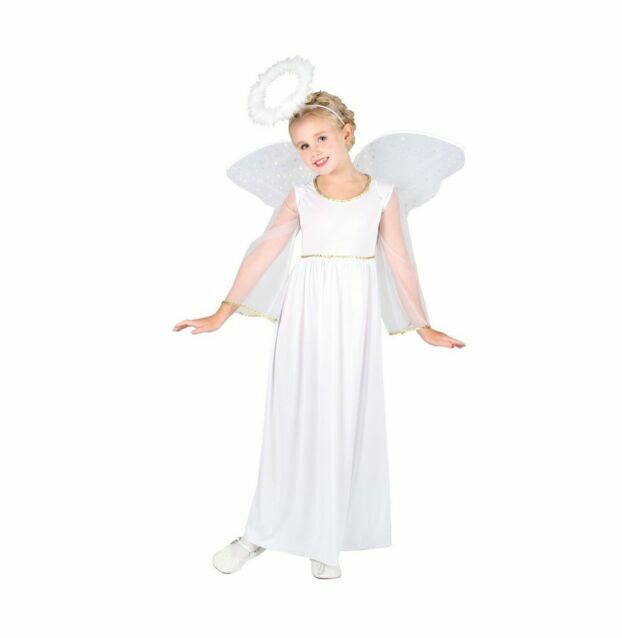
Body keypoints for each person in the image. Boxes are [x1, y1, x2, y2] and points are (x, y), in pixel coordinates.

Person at [174, 90, 466, 580]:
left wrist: (423, 325)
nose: (313, 152)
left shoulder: (382, 194)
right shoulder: (302, 195)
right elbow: (264, 252)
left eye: (322, 138)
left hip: (354, 317)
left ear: (347, 134)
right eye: (303, 146)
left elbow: (399, 261)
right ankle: (262, 530)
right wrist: (221, 313)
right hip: (306, 314)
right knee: (292, 416)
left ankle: (326, 536)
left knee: (342, 417)